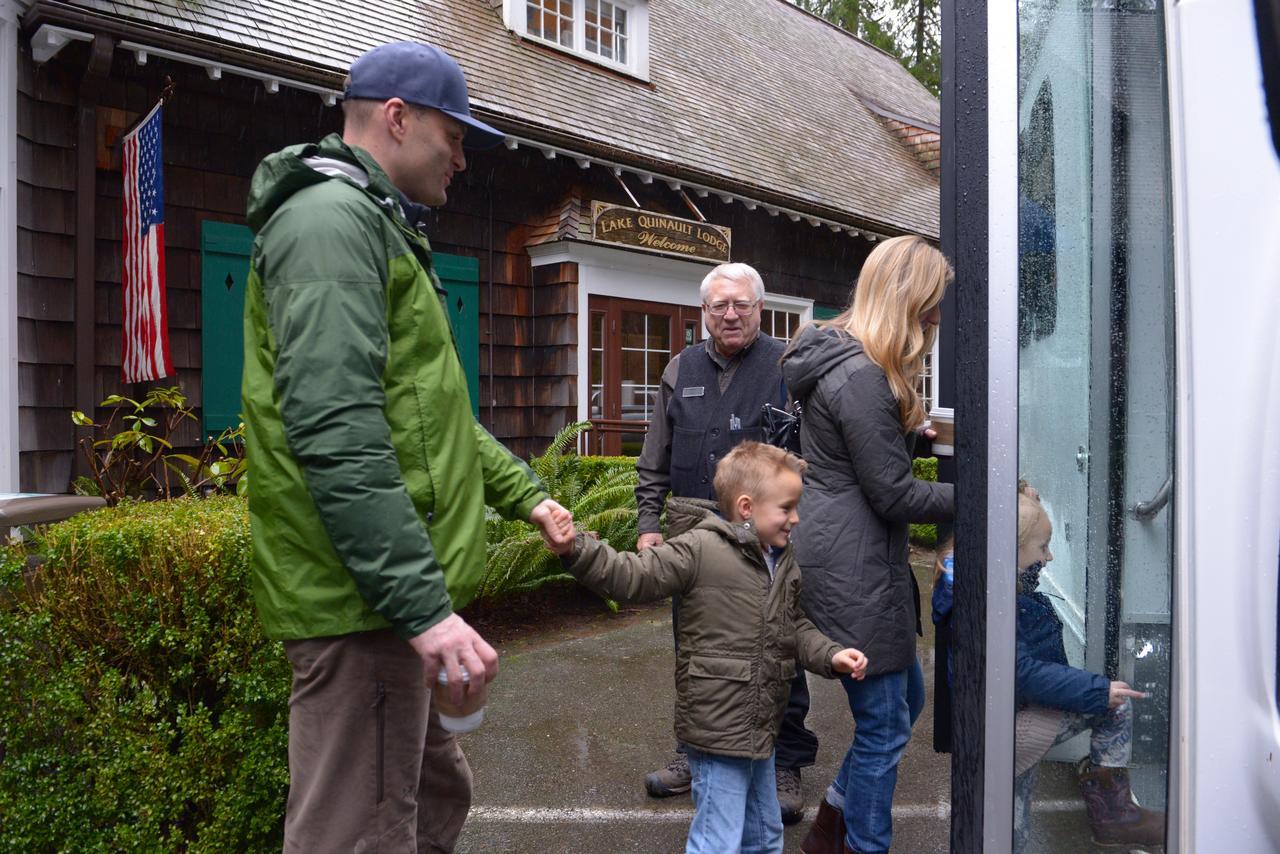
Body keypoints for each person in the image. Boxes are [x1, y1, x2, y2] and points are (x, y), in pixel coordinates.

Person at [240, 41, 573, 852]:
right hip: (364, 613)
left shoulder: (374, 225)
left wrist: (525, 493)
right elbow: (338, 434)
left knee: (434, 794)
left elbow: (434, 421)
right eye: (454, 136)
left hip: (383, 606)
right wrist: (424, 609)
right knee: (361, 834)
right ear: (396, 118)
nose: (463, 158)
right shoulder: (329, 226)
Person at [547, 442, 868, 853]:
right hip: (717, 728)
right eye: (787, 508)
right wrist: (576, 548)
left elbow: (795, 626)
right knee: (717, 839)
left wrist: (830, 655)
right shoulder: (699, 548)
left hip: (760, 727)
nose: (796, 517)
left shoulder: (782, 560)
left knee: (764, 836)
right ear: (748, 507)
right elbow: (632, 576)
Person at [780, 235, 956, 854]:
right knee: (883, 725)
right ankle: (862, 845)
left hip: (845, 548)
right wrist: (982, 500)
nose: (937, 317)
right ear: (905, 299)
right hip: (853, 561)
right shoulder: (860, 377)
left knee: (903, 698)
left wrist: (907, 435)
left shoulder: (851, 363)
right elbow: (894, 495)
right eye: (931, 303)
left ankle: (829, 828)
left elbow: (861, 467)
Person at [634, 262, 817, 822]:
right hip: (693, 529)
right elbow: (654, 459)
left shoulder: (789, 366)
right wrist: (647, 523)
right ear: (705, 313)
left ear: (760, 308)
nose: (730, 314)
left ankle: (783, 758)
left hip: (765, 537)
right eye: (719, 306)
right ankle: (695, 752)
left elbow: (820, 452)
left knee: (778, 644)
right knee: (696, 649)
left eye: (741, 304)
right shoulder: (678, 369)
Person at [1009, 489, 1165, 851]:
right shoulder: (1004, 602)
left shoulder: (1008, 588)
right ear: (1011, 551)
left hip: (1019, 713)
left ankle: (1112, 815)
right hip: (1012, 725)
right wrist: (1095, 690)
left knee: (1015, 820)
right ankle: (1113, 818)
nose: (1048, 557)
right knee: (1011, 823)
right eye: (1042, 547)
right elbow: (1021, 672)